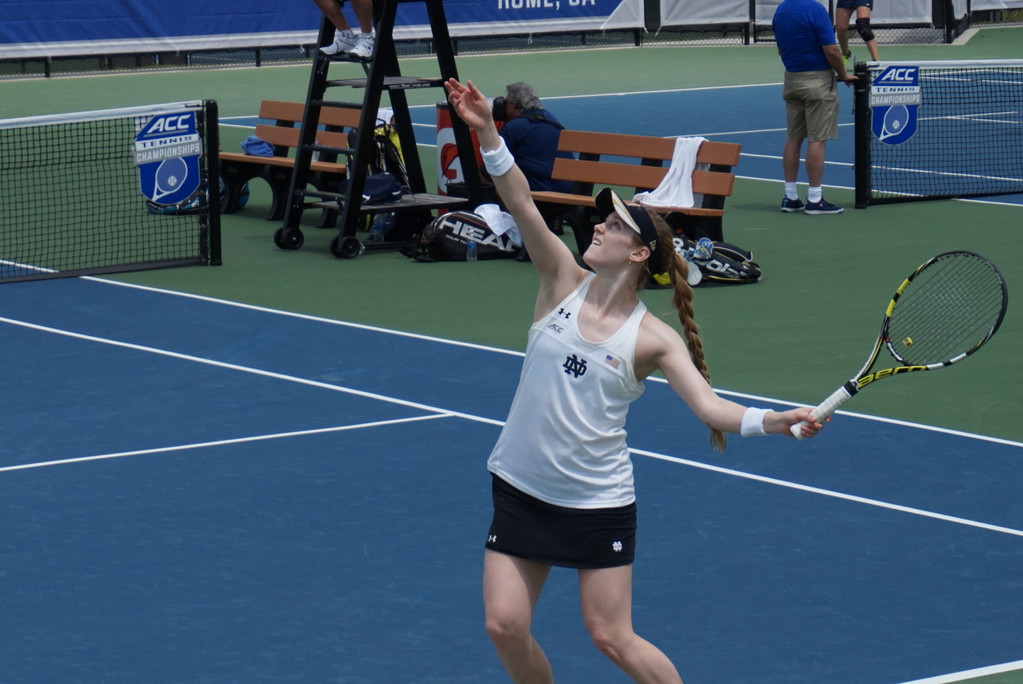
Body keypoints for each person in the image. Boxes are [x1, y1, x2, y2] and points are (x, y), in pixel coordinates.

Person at [444, 77, 825, 684]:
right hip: (520, 484)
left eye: (614, 225)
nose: (598, 227)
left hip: (596, 501)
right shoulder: (559, 281)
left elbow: (711, 409)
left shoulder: (653, 339)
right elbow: (519, 200)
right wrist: (487, 132)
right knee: (504, 625)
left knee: (610, 637)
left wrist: (777, 421)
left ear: (640, 253)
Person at [773, 0, 857, 215]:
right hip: (817, 82)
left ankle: (790, 197)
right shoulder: (815, 10)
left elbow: (781, 49)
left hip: (792, 80)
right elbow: (831, 50)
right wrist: (843, 74)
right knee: (817, 140)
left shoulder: (781, 9)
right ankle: (814, 199)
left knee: (793, 138)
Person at [492, 82, 574, 194]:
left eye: (506, 102)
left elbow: (492, 165)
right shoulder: (549, 118)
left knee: (492, 180)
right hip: (570, 189)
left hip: (541, 191)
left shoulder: (514, 127)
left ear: (514, 104)